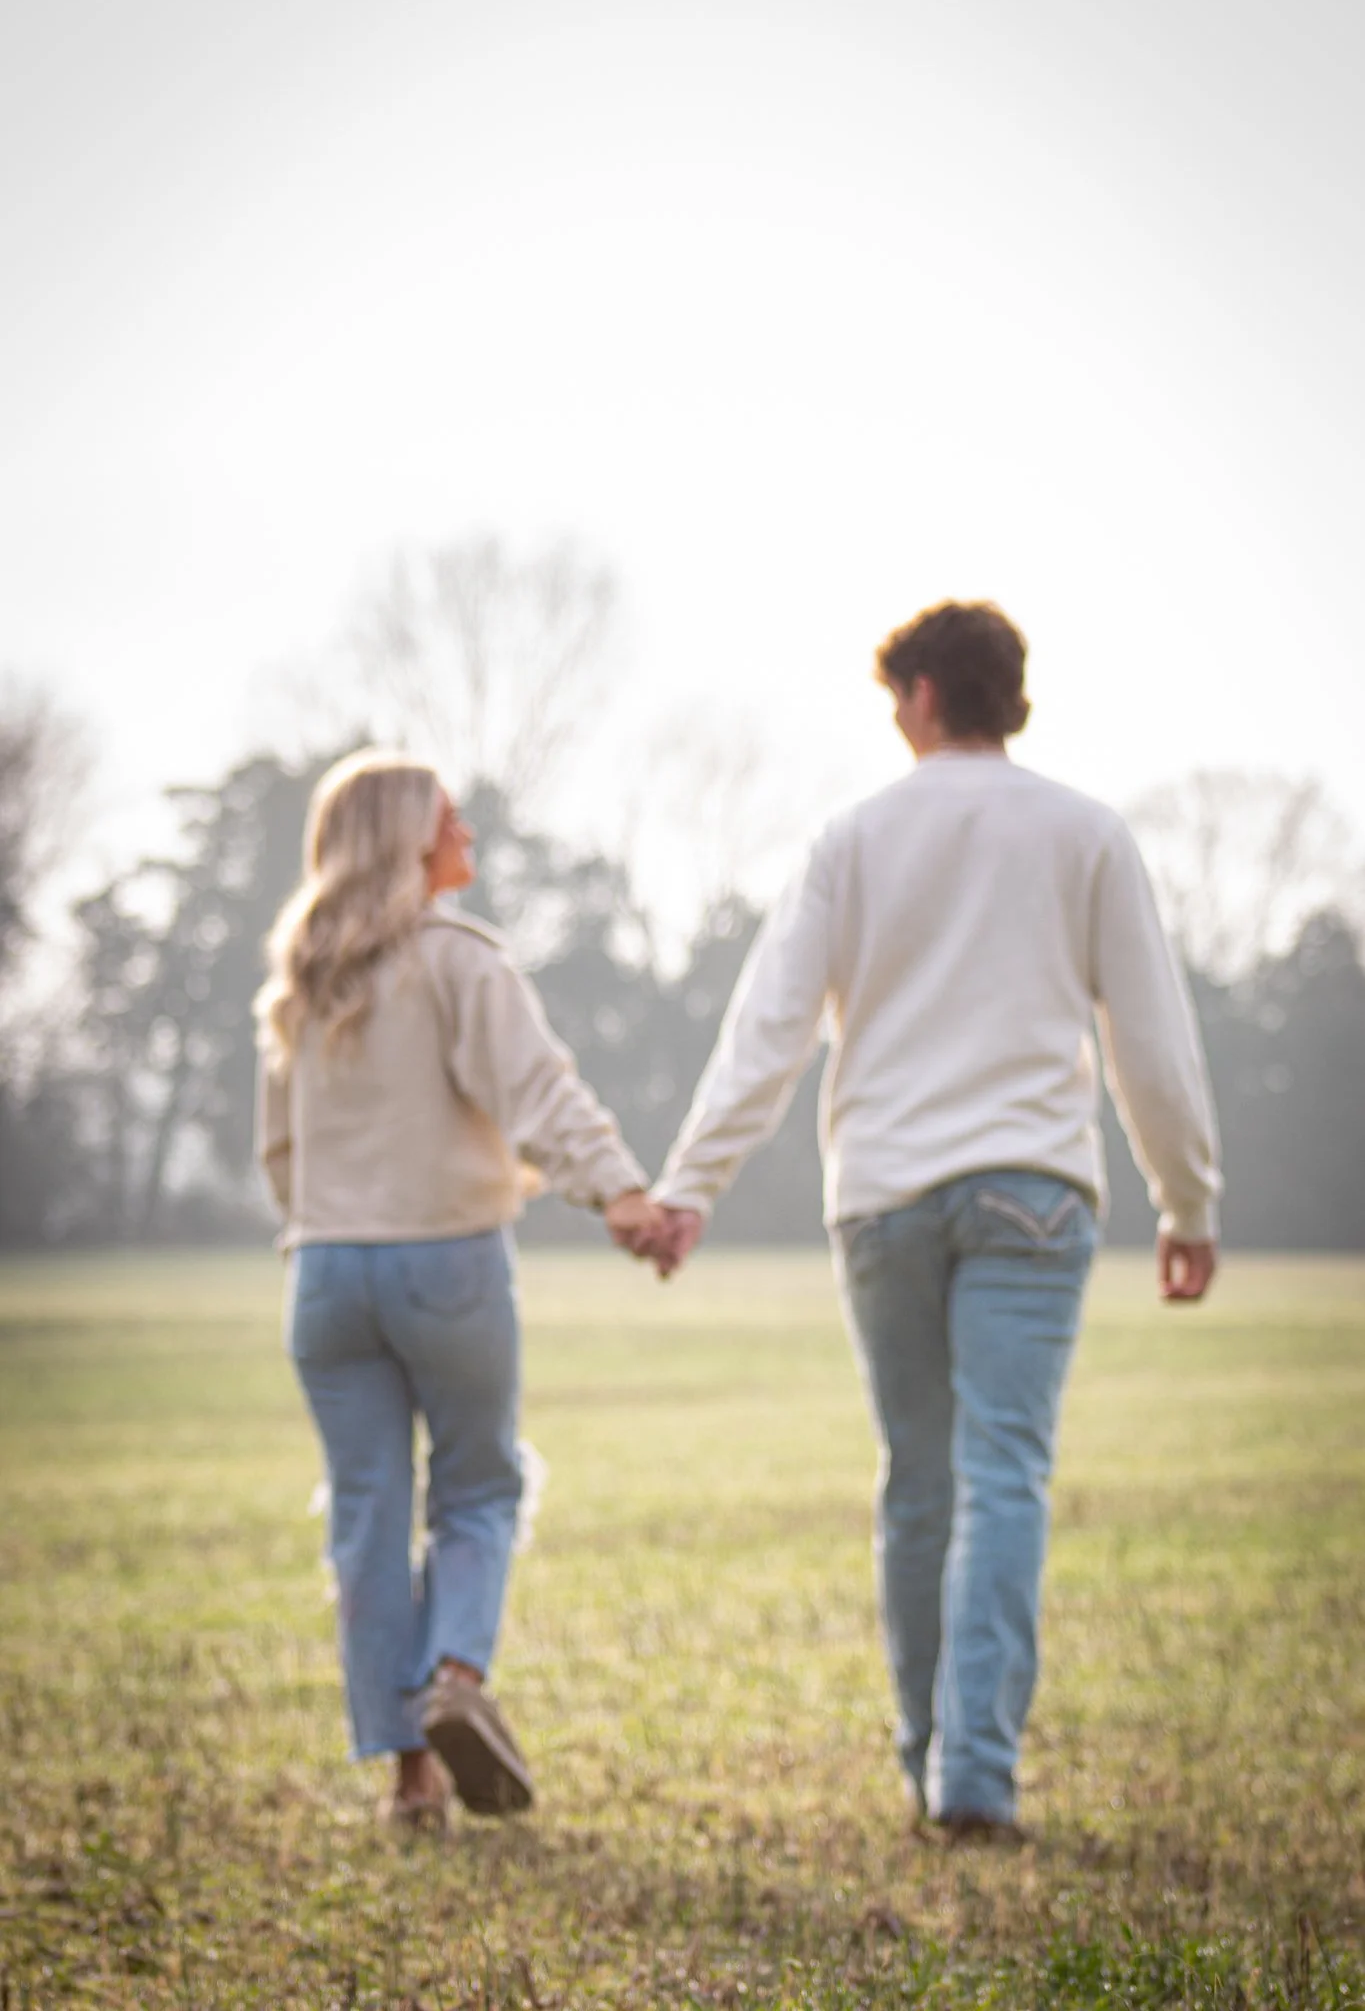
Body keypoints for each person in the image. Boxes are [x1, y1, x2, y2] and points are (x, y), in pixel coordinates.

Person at [645, 600, 1221, 1843]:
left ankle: (925, 1762)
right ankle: (978, 1775)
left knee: (919, 1482)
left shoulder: (850, 839)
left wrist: (692, 1185)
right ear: (1007, 695)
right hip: (1033, 1189)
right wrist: (1187, 1199)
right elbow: (1153, 1045)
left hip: (887, 1197)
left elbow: (770, 1030)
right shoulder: (1088, 834)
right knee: (1002, 1473)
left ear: (916, 694)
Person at [254, 749, 666, 1826]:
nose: (470, 830)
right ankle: (456, 1680)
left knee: (367, 1512)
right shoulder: (458, 960)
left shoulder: (300, 981)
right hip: (445, 1256)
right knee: (479, 1487)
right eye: (450, 817)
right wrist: (621, 1192)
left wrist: (337, 1221)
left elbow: (279, 1154)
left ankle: (410, 1778)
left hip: (326, 1272)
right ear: (405, 840)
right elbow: (537, 1091)